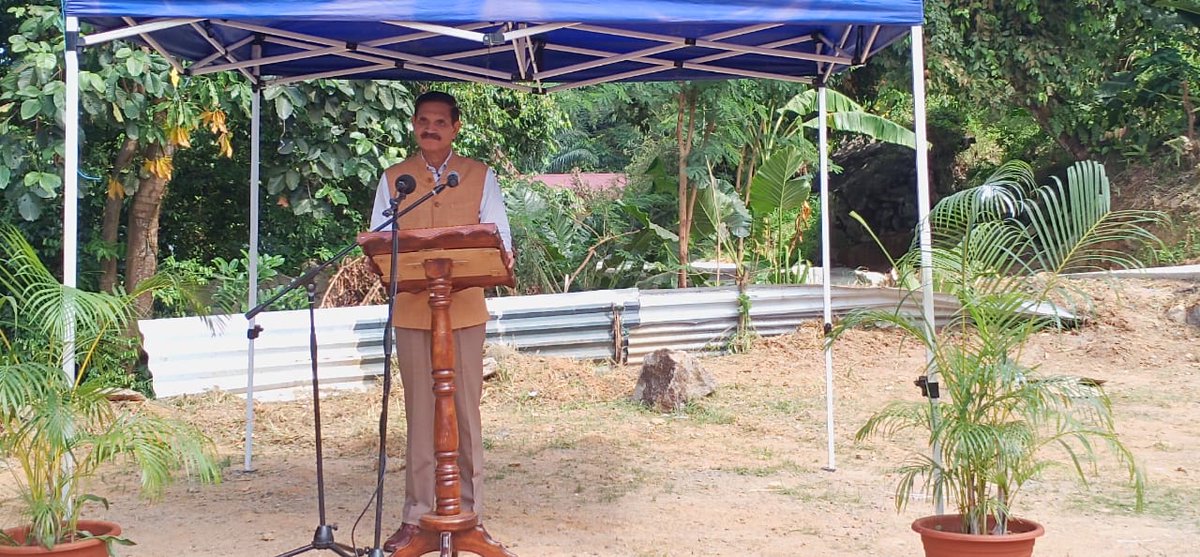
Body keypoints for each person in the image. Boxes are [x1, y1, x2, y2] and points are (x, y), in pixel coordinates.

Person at [369, 90, 513, 552]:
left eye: (439, 122)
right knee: (421, 417)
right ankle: (417, 518)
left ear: (455, 128)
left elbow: (500, 241)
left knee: (465, 415)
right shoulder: (395, 178)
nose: (429, 128)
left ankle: (469, 513)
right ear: (413, 125)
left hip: (464, 313)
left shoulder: (478, 176)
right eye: (422, 121)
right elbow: (379, 243)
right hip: (414, 314)